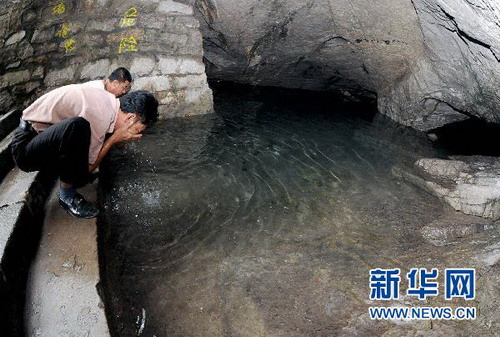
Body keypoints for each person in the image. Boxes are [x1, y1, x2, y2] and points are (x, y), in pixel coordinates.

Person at [10, 84, 158, 219]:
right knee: (76, 126)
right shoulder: (101, 115)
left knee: (81, 139)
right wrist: (114, 139)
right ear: (130, 117)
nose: (134, 135)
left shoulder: (108, 103)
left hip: (41, 139)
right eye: (137, 130)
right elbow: (88, 168)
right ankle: (67, 197)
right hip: (24, 148)